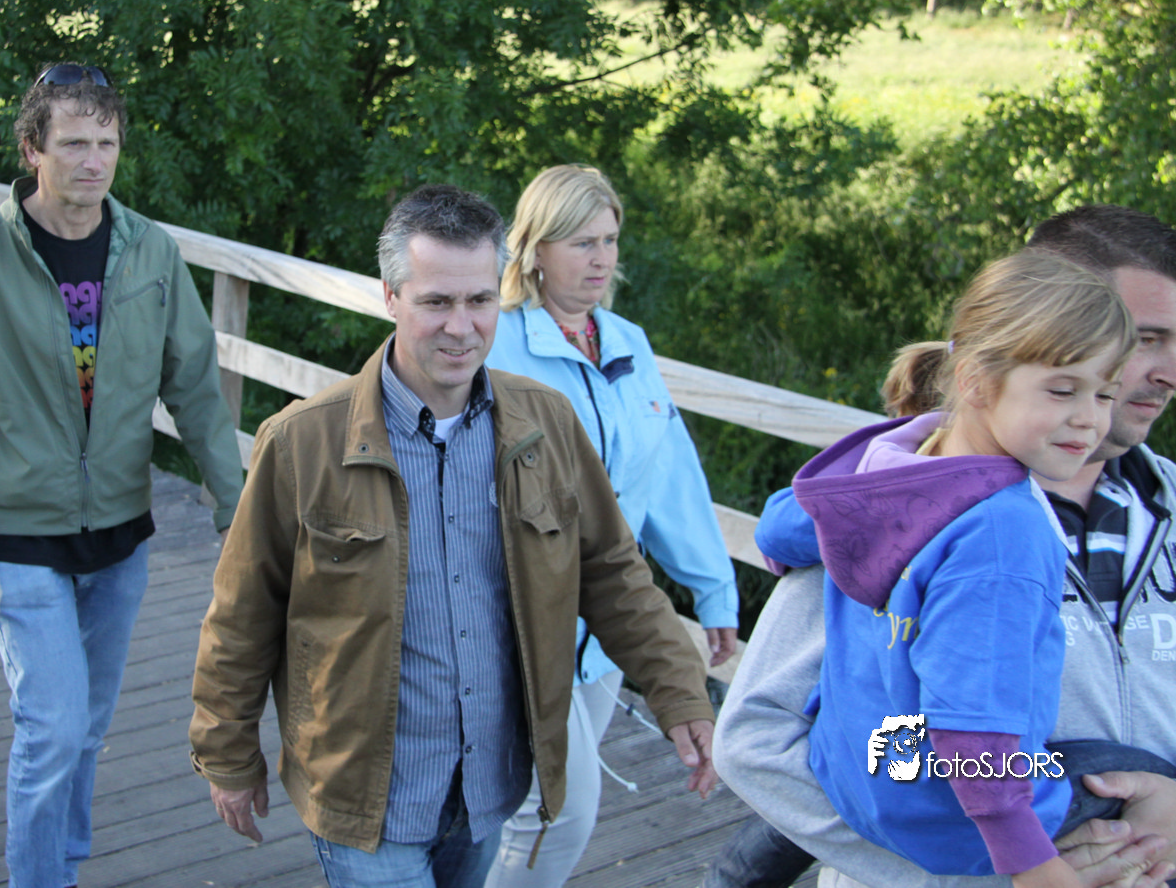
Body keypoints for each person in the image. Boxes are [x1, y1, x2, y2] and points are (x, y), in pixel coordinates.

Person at [188, 184, 717, 888]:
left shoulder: (546, 425)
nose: (461, 327)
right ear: (390, 296)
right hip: (365, 800)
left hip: (488, 789)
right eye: (436, 302)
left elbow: (613, 572)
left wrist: (679, 691)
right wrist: (227, 754)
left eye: (479, 300)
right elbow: (241, 614)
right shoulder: (301, 443)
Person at [713, 205, 1176, 888]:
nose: (1169, 372)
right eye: (1145, 338)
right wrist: (1010, 871)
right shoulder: (893, 511)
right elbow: (754, 741)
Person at [0, 64, 244, 888]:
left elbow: (197, 390)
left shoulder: (151, 251)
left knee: (85, 727)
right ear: (33, 150)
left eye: (107, 143)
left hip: (120, 533)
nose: (93, 161)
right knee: (52, 727)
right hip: (16, 529)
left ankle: (63, 862)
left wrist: (237, 508)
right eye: (73, 144)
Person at [483, 164, 738, 886]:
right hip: (520, 623)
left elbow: (671, 473)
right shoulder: (494, 345)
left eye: (609, 240)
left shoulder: (627, 341)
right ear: (535, 248)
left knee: (523, 809)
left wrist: (713, 590)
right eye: (580, 242)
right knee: (558, 814)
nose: (601, 259)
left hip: (605, 632)